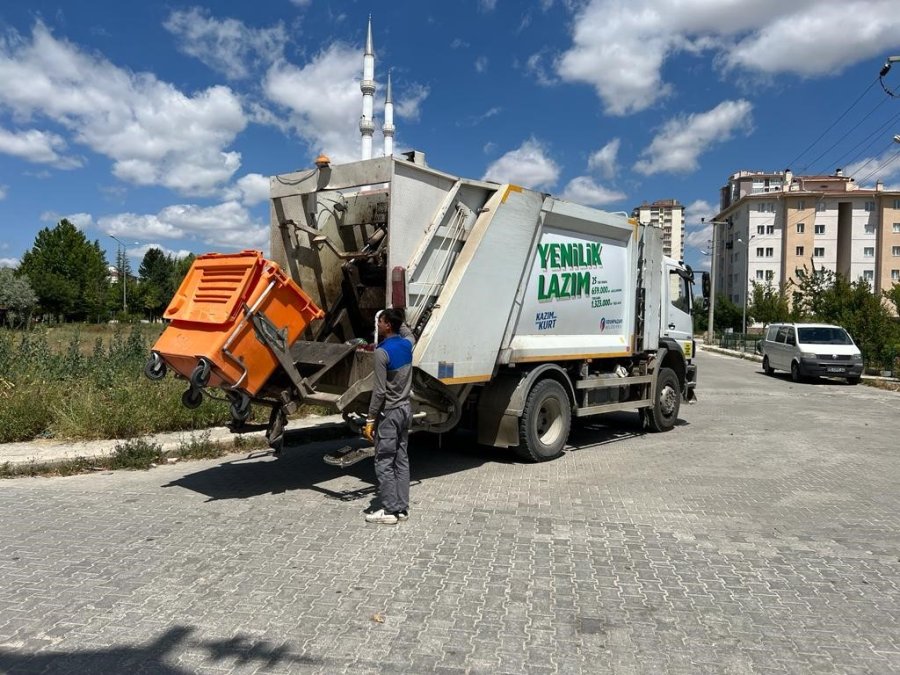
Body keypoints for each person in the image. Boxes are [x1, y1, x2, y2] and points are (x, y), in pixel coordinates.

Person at [363, 308, 415, 525]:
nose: (378, 324)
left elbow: (379, 392)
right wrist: (400, 317)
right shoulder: (407, 345)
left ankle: (390, 511)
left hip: (390, 413)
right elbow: (409, 333)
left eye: (381, 321)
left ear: (388, 325)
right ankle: (401, 508)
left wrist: (370, 419)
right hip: (406, 409)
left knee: (384, 461)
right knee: (401, 459)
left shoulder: (381, 352)